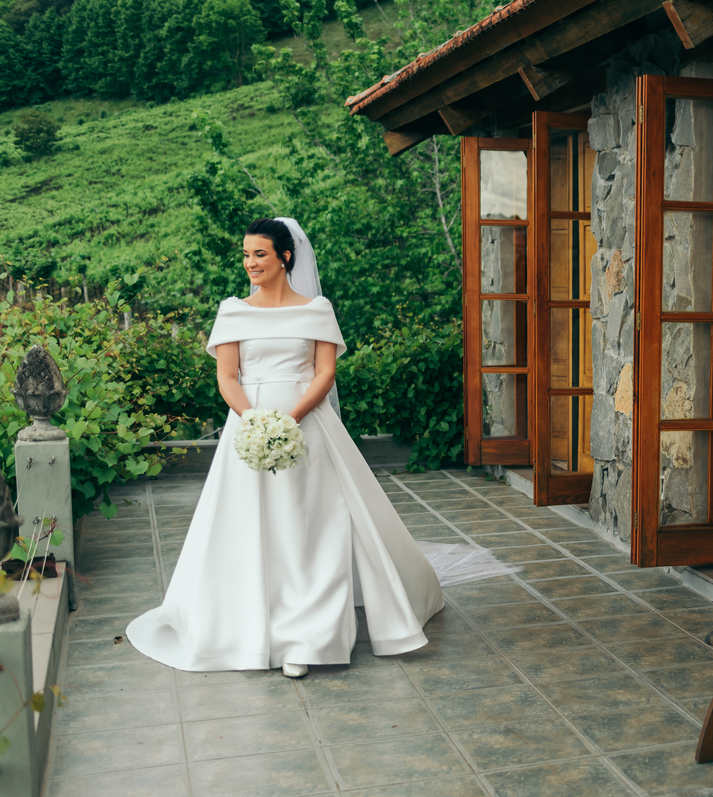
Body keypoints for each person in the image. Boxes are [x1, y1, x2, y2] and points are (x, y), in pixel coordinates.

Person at [127, 218, 513, 677]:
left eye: (260, 254)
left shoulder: (317, 309)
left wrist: (289, 419)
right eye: (246, 255)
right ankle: (245, 627)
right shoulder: (232, 311)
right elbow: (226, 376)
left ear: (285, 256)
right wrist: (252, 421)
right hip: (248, 427)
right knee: (246, 528)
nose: (250, 263)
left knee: (311, 530)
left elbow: (324, 373)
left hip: (307, 426)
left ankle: (308, 637)